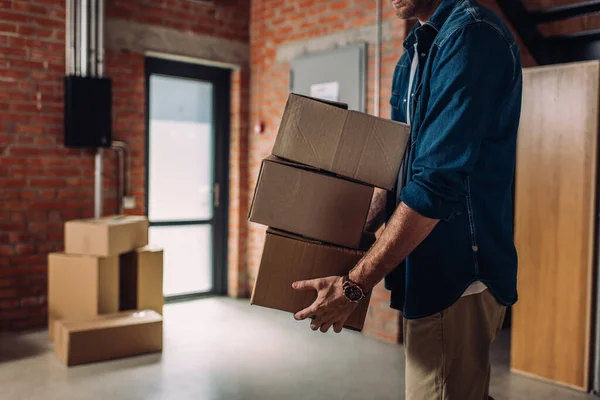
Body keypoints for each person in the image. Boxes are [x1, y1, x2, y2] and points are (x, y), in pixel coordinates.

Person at [291, 0, 523, 399]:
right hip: (425, 262)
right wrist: (357, 227)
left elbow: (435, 183)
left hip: (456, 271)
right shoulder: (416, 48)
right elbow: (400, 159)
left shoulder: (470, 36)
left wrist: (354, 286)